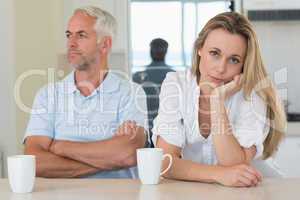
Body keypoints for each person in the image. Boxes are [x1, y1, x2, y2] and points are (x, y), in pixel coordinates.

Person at [151, 12, 286, 187]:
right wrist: (219, 175)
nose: (221, 68)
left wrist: (217, 101)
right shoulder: (176, 84)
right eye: (215, 53)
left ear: (244, 64)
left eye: (234, 60)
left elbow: (234, 165)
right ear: (200, 49)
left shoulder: (253, 94)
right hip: (200, 189)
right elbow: (165, 162)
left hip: (254, 189)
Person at [24, 6, 148, 178]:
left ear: (105, 44)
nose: (71, 43)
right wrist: (109, 158)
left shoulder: (131, 93)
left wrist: (60, 147)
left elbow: (128, 154)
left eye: (81, 35)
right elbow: (34, 162)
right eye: (69, 35)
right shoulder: (47, 95)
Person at [133, 38, 174, 146]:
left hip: (144, 132)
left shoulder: (137, 77)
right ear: (166, 52)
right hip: (168, 133)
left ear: (150, 52)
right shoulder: (176, 77)